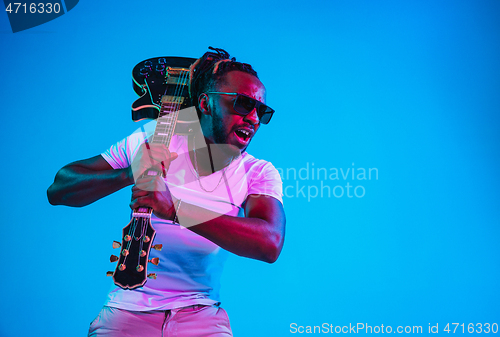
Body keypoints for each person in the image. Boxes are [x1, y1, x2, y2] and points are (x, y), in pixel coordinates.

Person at [47, 47, 286, 337]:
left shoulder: (257, 172)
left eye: (261, 111)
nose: (253, 118)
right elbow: (59, 189)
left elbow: (269, 242)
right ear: (206, 103)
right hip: (125, 315)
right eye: (243, 104)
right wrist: (129, 173)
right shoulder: (156, 138)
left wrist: (175, 210)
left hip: (201, 316)